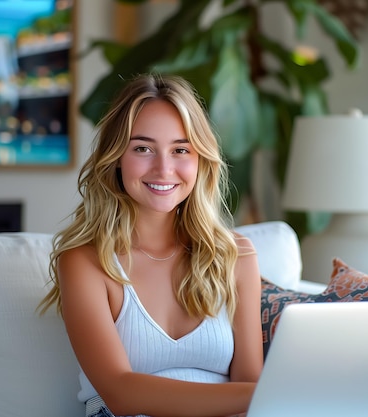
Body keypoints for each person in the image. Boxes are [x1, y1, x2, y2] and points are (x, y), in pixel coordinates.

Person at [38, 73, 263, 417]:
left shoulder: (236, 255)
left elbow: (251, 383)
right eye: (143, 148)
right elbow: (120, 391)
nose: (164, 168)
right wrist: (278, 395)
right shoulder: (85, 262)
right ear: (116, 158)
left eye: (180, 150)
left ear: (200, 158)